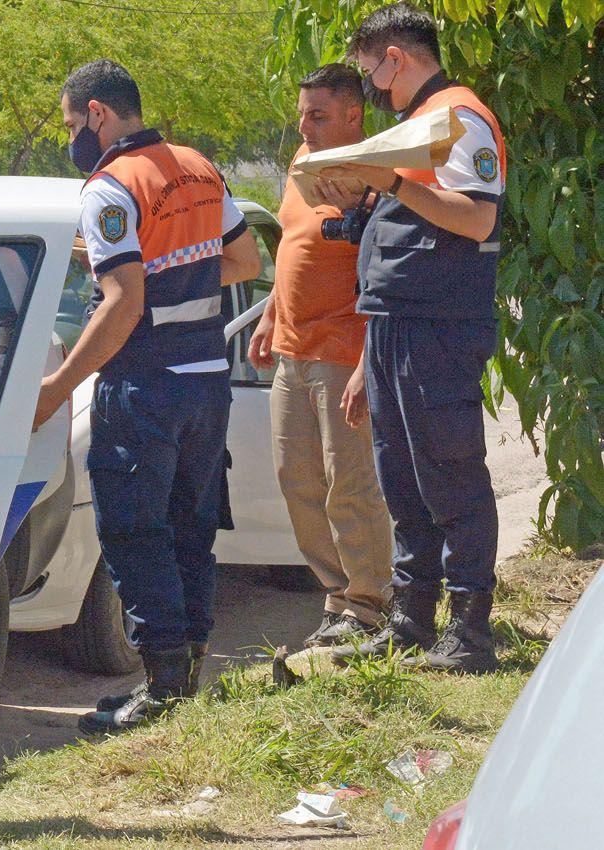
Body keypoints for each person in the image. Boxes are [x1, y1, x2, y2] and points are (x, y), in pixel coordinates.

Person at [33, 58, 261, 733]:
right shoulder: (196, 165)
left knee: (134, 531)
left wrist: (55, 387)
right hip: (205, 385)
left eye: (74, 124)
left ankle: (162, 688)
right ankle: (185, 673)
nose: (74, 137)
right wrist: (173, 280)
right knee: (190, 530)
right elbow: (245, 262)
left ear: (98, 114)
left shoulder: (109, 187)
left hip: (145, 389)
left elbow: (123, 302)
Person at [320, 2, 506, 674]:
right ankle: (411, 622)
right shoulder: (414, 127)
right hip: (397, 322)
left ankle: (470, 632)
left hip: (440, 326)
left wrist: (393, 180)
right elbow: (405, 229)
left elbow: (479, 219)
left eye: (371, 70)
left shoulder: (460, 119)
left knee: (449, 471)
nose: (372, 84)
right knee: (402, 479)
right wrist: (362, 198)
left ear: (395, 57)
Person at [247, 64, 393, 649]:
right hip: (292, 352)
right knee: (296, 480)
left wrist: (366, 363)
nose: (304, 124)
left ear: (354, 116)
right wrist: (269, 314)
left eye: (319, 114)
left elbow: (387, 276)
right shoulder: (299, 166)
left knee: (350, 485)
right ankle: (340, 600)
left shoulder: (377, 179)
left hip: (343, 352)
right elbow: (293, 247)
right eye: (302, 112)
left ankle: (370, 603)